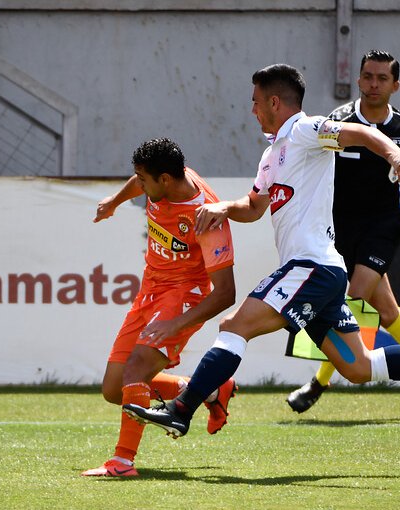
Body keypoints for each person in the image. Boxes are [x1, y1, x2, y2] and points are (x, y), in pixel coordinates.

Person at [123, 64, 400, 440]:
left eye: (255, 102)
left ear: (274, 102)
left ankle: (182, 409)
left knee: (234, 326)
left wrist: (399, 159)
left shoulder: (305, 130)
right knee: (358, 367)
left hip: (310, 267)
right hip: (322, 273)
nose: (252, 110)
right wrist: (224, 208)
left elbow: (361, 132)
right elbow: (253, 207)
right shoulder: (271, 156)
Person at [286, 50, 400, 417]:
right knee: (388, 313)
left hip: (383, 226)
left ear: (395, 85)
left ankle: (317, 384)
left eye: (381, 78)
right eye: (367, 76)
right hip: (338, 229)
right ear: (358, 80)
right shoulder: (338, 122)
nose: (373, 84)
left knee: (352, 295)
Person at [81, 138, 238, 477]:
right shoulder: (161, 182)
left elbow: (226, 293)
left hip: (184, 295)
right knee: (113, 388)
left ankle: (122, 463)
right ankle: (206, 388)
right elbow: (139, 182)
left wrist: (176, 323)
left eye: (143, 179)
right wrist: (114, 202)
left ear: (165, 179)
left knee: (136, 369)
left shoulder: (205, 217)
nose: (139, 184)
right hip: (151, 288)